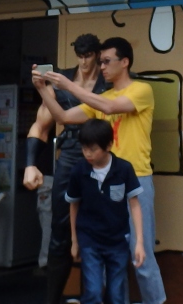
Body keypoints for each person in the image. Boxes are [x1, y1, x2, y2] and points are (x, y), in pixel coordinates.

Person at [35, 37, 165, 304]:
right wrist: (43, 90)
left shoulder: (141, 90)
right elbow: (64, 117)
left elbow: (109, 108)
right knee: (112, 258)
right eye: (101, 61)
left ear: (124, 62)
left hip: (136, 179)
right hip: (105, 183)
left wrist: (68, 85)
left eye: (106, 61)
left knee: (141, 257)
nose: (101, 67)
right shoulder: (102, 97)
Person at [22, 34, 107, 304]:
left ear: (97, 54)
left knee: (105, 226)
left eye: (88, 56)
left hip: (103, 154)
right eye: (80, 56)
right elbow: (40, 125)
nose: (84, 62)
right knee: (60, 229)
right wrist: (30, 164)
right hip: (70, 153)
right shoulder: (61, 81)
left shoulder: (107, 80)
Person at [66, 120, 145, 304]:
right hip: (89, 239)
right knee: (93, 291)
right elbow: (73, 205)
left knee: (116, 295)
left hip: (118, 241)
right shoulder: (79, 171)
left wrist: (139, 242)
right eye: (84, 148)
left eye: (93, 149)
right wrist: (74, 241)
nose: (87, 153)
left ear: (109, 145)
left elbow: (134, 205)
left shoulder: (124, 169)